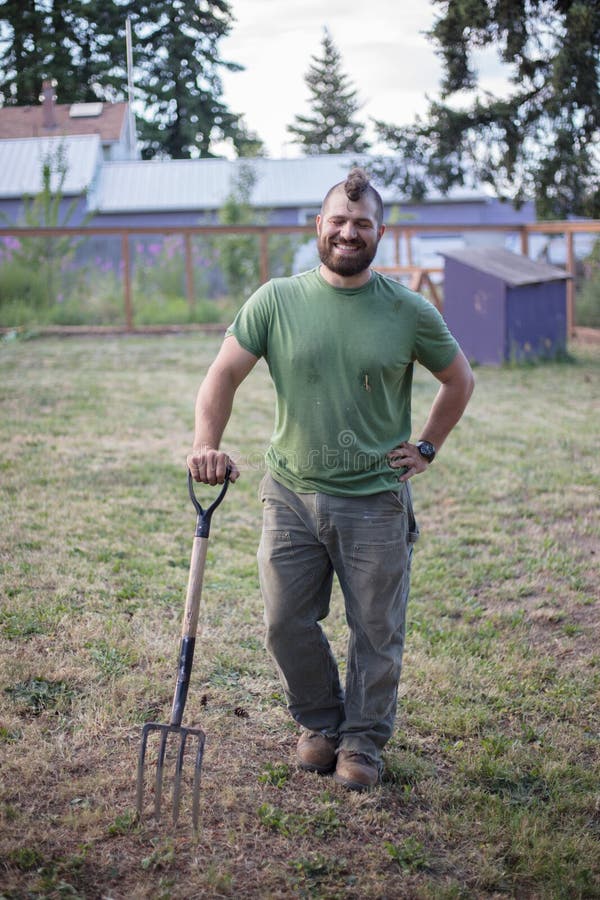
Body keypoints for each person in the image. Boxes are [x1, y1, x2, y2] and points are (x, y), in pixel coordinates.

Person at [187, 168, 474, 791]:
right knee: (284, 622)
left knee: (375, 629)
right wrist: (206, 443)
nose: (348, 232)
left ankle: (363, 740)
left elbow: (459, 379)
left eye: (361, 224)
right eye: (338, 221)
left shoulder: (407, 310)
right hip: (289, 493)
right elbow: (222, 374)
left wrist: (427, 446)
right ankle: (320, 722)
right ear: (319, 226)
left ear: (380, 233)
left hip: (375, 498)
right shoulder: (275, 300)